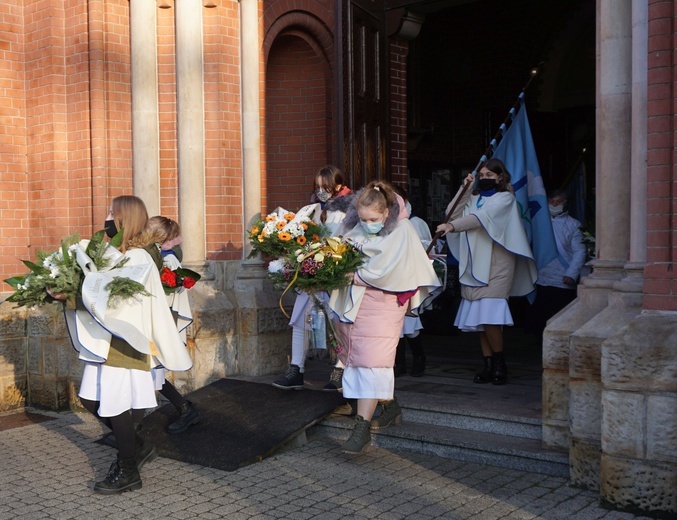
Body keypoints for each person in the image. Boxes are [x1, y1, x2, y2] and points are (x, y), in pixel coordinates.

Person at [63, 195, 193, 494]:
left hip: (126, 342)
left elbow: (117, 299)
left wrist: (73, 294)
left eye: (112, 213)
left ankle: (128, 469)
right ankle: (138, 446)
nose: (107, 218)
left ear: (126, 219)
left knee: (114, 402)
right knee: (91, 400)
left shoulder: (140, 257)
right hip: (108, 339)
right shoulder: (117, 254)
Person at [329, 181, 441, 454]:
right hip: (355, 302)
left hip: (384, 303)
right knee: (358, 359)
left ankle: (362, 428)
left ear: (387, 212)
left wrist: (355, 274)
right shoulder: (355, 227)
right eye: (363, 218)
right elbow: (341, 250)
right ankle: (390, 406)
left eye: (374, 219)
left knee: (372, 363)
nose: (368, 223)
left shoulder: (402, 230)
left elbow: (392, 268)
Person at [436, 159, 537, 385]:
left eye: (489, 174)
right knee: (481, 321)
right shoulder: (474, 198)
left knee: (490, 318)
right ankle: (488, 364)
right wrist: (464, 189)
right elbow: (452, 213)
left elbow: (481, 219)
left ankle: (501, 364)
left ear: (501, 177)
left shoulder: (505, 198)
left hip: (497, 267)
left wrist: (453, 227)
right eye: (481, 174)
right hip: (473, 265)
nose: (484, 178)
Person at [272, 165, 352, 390]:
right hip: (311, 275)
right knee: (300, 321)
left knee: (336, 324)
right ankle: (296, 369)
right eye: (317, 187)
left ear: (338, 186)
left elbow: (348, 241)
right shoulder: (311, 209)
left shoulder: (349, 210)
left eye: (325, 187)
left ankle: (340, 370)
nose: (320, 191)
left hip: (334, 275)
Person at [143, 216, 200, 433]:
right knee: (149, 371)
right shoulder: (152, 255)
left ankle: (133, 432)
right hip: (149, 319)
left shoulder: (168, 260)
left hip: (159, 320)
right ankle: (185, 408)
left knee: (150, 370)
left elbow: (170, 293)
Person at [524, 189, 587, 340]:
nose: (555, 205)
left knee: (561, 316)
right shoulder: (536, 222)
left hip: (562, 278)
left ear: (565, 204)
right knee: (539, 316)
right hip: (539, 276)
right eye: (551, 202)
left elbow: (579, 252)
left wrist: (571, 274)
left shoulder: (573, 225)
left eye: (558, 202)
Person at [391, 184, 432, 378]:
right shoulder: (384, 222)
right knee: (394, 325)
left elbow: (424, 251)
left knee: (410, 324)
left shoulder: (415, 222)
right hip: (391, 279)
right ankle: (398, 363)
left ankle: (418, 357)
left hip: (408, 278)